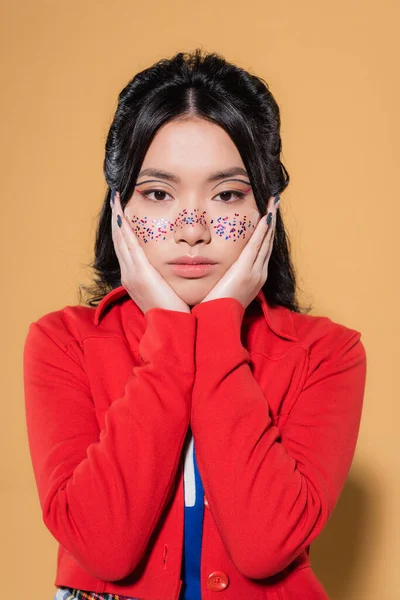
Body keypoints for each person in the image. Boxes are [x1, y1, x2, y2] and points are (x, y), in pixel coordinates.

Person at [23, 48, 367, 600]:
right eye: (158, 194)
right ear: (118, 208)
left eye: (228, 194)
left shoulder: (327, 353)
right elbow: (104, 547)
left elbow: (266, 545)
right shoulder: (62, 343)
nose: (193, 229)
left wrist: (219, 322)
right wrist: (168, 331)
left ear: (267, 211)